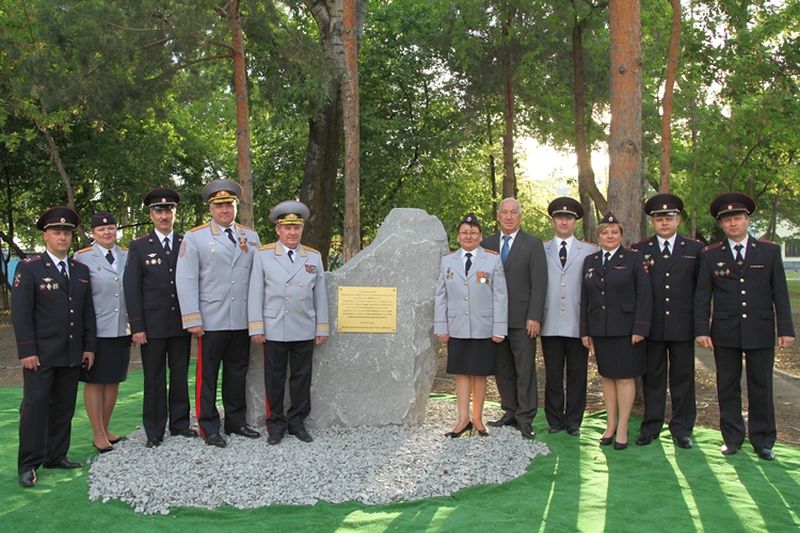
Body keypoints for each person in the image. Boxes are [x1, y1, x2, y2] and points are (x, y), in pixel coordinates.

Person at [695, 192, 795, 460]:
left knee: (760, 385)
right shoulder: (710, 255)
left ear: (747, 220)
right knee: (727, 385)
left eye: (737, 218)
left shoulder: (769, 251)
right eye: (727, 220)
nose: (733, 224)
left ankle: (762, 440)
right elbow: (703, 295)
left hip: (760, 329)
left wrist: (785, 329)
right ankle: (732, 437)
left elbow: (780, 293)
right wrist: (702, 329)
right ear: (722, 225)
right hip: (725, 330)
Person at [11, 207, 96, 488]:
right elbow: (21, 313)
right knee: (35, 409)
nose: (62, 237)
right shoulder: (30, 267)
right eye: (57, 232)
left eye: (67, 233)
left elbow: (86, 313)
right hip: (41, 354)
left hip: (71, 352)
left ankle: (56, 455)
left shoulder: (79, 270)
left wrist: (89, 347)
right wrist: (26, 351)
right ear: (46, 235)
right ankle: (28, 464)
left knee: (63, 407)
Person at [176, 179, 261, 448]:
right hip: (210, 318)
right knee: (208, 375)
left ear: (236, 206)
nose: (225, 210)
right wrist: (192, 317)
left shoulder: (251, 237)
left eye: (229, 204)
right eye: (220, 205)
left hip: (241, 317)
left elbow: (257, 278)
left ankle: (236, 421)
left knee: (237, 372)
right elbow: (186, 278)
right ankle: (209, 425)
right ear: (211, 209)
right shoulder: (196, 237)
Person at [248, 200, 329, 445]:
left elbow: (320, 295)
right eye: (287, 228)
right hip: (274, 327)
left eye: (296, 227)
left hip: (304, 326)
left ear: (301, 229)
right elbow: (255, 291)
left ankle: (297, 422)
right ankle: (275, 424)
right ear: (278, 230)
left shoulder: (313, 257)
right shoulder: (263, 255)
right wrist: (256, 325)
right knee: (274, 378)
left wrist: (322, 327)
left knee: (301, 378)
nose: (292, 232)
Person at [124, 188, 197, 448]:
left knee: (179, 375)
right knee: (154, 378)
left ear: (175, 213)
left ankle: (179, 424)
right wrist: (137, 326)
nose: (164, 215)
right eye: (158, 210)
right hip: (152, 327)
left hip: (180, 323)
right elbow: (132, 289)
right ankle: (154, 430)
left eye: (168, 210)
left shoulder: (186, 243)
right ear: (151, 215)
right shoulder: (139, 246)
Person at [632, 194, 702, 449]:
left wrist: (700, 325)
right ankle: (652, 425)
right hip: (652, 327)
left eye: (669, 217)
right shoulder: (640, 250)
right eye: (659, 218)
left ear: (678, 220)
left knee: (683, 378)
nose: (664, 222)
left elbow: (701, 290)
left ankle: (682, 428)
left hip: (683, 326)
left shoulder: (694, 249)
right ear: (652, 222)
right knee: (653, 378)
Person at [580, 212, 652, 450]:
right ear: (598, 236)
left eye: (614, 232)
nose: (609, 235)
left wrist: (640, 327)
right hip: (600, 329)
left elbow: (644, 295)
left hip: (626, 329)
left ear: (621, 235)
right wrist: (585, 330)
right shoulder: (590, 261)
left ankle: (622, 427)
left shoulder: (633, 258)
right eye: (604, 232)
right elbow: (585, 298)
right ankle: (610, 425)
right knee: (607, 377)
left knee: (624, 378)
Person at [435, 214, 508, 437]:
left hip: (483, 327)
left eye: (473, 233)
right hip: (457, 326)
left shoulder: (492, 260)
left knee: (479, 374)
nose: (469, 236)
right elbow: (441, 295)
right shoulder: (448, 260)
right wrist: (441, 326)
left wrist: (499, 328)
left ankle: (477, 418)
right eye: (465, 232)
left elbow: (500, 295)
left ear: (480, 236)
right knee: (461, 373)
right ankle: (462, 419)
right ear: (458, 236)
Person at [482, 197, 547, 439]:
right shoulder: (487, 244)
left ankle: (525, 417)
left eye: (513, 213)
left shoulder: (533, 244)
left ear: (520, 216)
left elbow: (540, 284)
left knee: (525, 369)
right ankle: (509, 411)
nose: (509, 217)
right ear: (498, 216)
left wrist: (535, 316)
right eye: (504, 212)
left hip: (523, 319)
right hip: (495, 320)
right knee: (503, 368)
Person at [540, 197, 598, 436]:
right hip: (550, 322)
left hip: (578, 323)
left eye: (569, 218)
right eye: (559, 217)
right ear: (553, 220)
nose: (564, 221)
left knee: (577, 374)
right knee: (553, 374)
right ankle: (554, 420)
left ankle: (574, 421)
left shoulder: (590, 250)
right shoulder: (540, 249)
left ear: (575, 222)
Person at [74, 212, 130, 453]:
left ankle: (105, 428)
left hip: (122, 327)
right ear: (93, 234)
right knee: (95, 381)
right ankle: (97, 433)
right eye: (101, 230)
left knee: (114, 379)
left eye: (111, 229)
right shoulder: (82, 258)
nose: (107, 233)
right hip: (95, 330)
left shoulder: (127, 255)